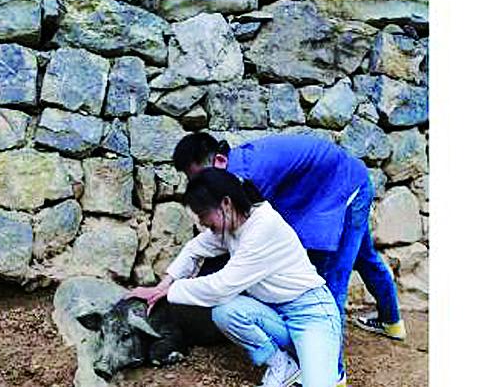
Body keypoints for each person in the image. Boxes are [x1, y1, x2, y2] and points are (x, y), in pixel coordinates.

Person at [126, 170, 428, 387]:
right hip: (280, 314)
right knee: (225, 313)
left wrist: (167, 292)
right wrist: (163, 284)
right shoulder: (233, 225)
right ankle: (281, 364)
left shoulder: (263, 228)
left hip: (313, 315)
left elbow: (222, 285)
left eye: (205, 216)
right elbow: (195, 249)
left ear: (226, 204)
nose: (205, 224)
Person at [173, 131, 405, 346]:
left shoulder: (246, 179)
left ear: (220, 162)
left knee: (331, 278)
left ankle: (332, 372)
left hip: (346, 187)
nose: (198, 188)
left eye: (198, 178)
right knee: (365, 257)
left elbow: (240, 238)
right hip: (340, 181)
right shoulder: (236, 167)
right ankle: (392, 323)